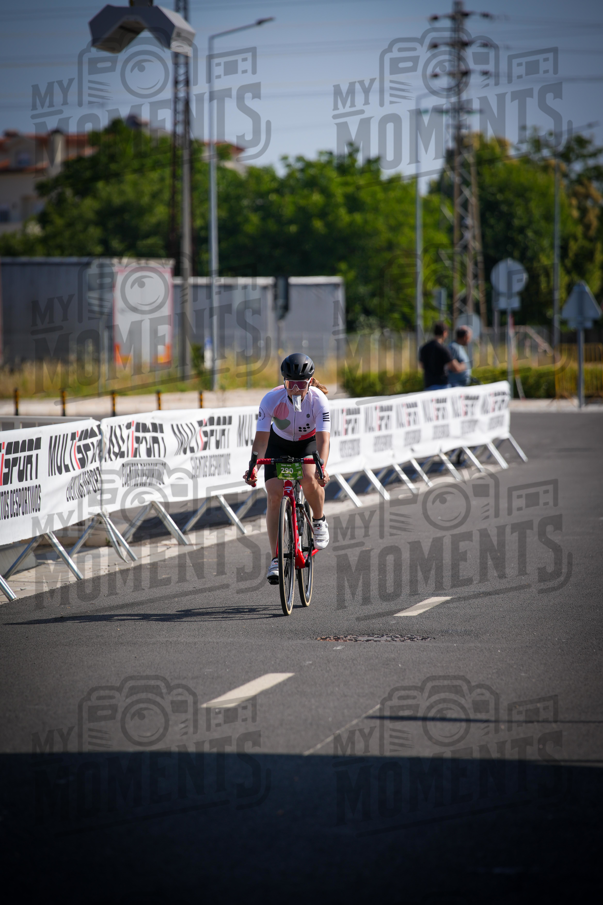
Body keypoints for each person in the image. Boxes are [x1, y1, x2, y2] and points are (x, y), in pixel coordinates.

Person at [243, 353, 331, 585]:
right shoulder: (271, 399)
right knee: (274, 496)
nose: (295, 390)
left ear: (310, 382)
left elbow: (323, 440)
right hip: (278, 443)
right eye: (290, 384)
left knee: (309, 478)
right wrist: (253, 467)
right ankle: (276, 558)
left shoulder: (319, 400)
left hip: (307, 443)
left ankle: (319, 519)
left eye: (301, 384)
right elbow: (261, 441)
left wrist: (322, 467)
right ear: (284, 381)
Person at [419, 322, 467, 390]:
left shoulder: (424, 348)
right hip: (441, 386)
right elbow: (456, 368)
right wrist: (463, 366)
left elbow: (422, 366)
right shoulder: (443, 349)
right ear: (444, 333)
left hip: (428, 386)